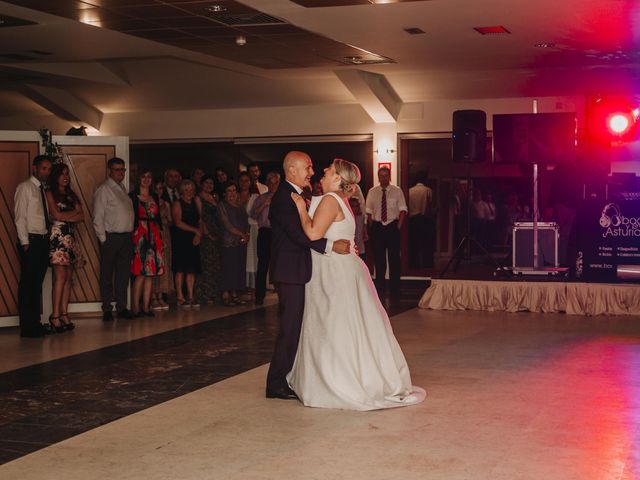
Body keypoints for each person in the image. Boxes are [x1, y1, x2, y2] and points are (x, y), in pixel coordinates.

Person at [287, 159, 426, 410]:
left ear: (338, 177)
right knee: (345, 323)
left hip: (334, 271)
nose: (323, 172)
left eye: (328, 170)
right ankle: (353, 374)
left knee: (334, 323)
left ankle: (338, 380)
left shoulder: (330, 200)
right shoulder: (341, 200)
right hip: (341, 267)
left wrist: (299, 208)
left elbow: (312, 234)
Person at [265, 151, 351, 400]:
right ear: (292, 169)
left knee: (296, 327)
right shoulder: (283, 198)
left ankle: (287, 377)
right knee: (289, 328)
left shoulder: (299, 194)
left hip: (298, 269)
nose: (312, 172)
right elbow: (298, 234)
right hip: (289, 271)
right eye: (308, 168)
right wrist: (330, 246)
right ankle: (276, 383)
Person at [14, 155, 54, 337]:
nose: (46, 172)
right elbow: (20, 217)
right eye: (43, 168)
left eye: (48, 169)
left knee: (36, 284)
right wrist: (25, 243)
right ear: (34, 168)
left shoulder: (41, 189)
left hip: (42, 240)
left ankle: (35, 323)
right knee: (28, 285)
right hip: (31, 241)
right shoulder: (25, 188)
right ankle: (27, 326)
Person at [93, 157, 135, 321]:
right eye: (117, 169)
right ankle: (107, 309)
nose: (121, 173)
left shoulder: (122, 189)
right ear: (109, 171)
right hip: (111, 237)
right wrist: (103, 239)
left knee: (123, 275)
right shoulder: (104, 189)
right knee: (107, 274)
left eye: (122, 170)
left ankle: (122, 307)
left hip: (126, 237)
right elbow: (98, 216)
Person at [46, 162, 84, 332]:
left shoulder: (71, 194)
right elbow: (55, 215)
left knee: (68, 278)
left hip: (70, 238)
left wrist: (66, 217)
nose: (66, 177)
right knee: (59, 277)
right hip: (57, 238)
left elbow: (81, 215)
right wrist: (71, 215)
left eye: (67, 173)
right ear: (56, 176)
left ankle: (63, 313)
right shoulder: (49, 193)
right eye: (62, 173)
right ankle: (54, 316)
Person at [365, 166, 407, 293]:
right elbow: (368, 211)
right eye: (381, 176)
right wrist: (372, 226)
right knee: (379, 259)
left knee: (394, 259)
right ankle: (380, 288)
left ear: (389, 176)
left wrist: (398, 226)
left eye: (386, 175)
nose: (383, 178)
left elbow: (403, 210)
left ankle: (395, 288)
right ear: (378, 177)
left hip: (392, 227)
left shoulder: (397, 191)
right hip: (378, 227)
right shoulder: (372, 191)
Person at [130, 169, 164, 317]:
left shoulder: (154, 196)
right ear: (139, 179)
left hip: (154, 234)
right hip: (140, 235)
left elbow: (159, 219)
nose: (146, 179)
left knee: (150, 273)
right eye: (143, 177)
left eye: (149, 177)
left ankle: (146, 307)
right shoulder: (132, 196)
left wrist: (161, 238)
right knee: (140, 273)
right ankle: (136, 307)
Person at [217, 181, 250, 306]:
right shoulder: (222, 205)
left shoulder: (240, 205)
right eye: (229, 191)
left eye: (234, 190)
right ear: (224, 193)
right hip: (228, 241)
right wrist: (242, 234)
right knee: (228, 268)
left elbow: (246, 222)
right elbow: (227, 224)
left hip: (241, 241)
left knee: (238, 268)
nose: (232, 193)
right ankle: (226, 294)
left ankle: (235, 294)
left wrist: (246, 234)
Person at [250, 171, 280, 305]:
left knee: (279, 265)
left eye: (276, 182)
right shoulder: (261, 198)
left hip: (279, 234)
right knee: (262, 265)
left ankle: (282, 296)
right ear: (267, 183)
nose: (273, 185)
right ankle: (259, 296)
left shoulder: (284, 197)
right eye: (270, 182)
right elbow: (253, 214)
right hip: (265, 233)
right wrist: (265, 204)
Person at [171, 179, 202, 309]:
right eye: (186, 189)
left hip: (194, 238)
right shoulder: (177, 203)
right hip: (181, 238)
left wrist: (199, 233)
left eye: (191, 189)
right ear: (181, 191)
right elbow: (178, 223)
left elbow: (201, 219)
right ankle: (179, 296)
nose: (189, 192)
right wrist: (195, 231)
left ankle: (190, 296)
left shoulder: (196, 201)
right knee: (180, 268)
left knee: (191, 268)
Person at [194, 175, 221, 305]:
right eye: (207, 183)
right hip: (206, 235)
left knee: (215, 265)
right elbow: (201, 217)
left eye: (211, 183)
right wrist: (207, 234)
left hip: (217, 234)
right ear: (202, 184)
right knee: (207, 265)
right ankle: (204, 294)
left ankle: (214, 293)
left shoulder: (215, 198)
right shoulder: (198, 198)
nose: (209, 185)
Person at [151, 180, 172, 310]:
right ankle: (153, 297)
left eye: (160, 189)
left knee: (163, 264)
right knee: (153, 264)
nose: (159, 191)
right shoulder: (149, 202)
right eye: (156, 188)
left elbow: (170, 221)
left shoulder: (166, 204)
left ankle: (160, 296)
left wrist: (165, 220)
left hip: (165, 234)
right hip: (154, 234)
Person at [408, 171, 436, 268]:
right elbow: (431, 206)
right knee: (427, 245)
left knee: (414, 244)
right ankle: (427, 265)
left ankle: (414, 265)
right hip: (425, 220)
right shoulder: (428, 190)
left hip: (412, 221)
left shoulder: (409, 191)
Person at [238, 171, 259, 293]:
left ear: (250, 182)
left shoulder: (255, 197)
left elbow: (256, 215)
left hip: (253, 229)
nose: (244, 183)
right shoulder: (235, 196)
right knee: (242, 258)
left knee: (252, 257)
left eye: (246, 180)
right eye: (241, 181)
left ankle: (252, 285)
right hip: (239, 229)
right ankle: (242, 284)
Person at [349, 196, 367, 263]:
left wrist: (365, 234)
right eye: (353, 206)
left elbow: (364, 231)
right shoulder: (347, 217)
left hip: (360, 247)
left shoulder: (361, 217)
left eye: (357, 206)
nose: (355, 208)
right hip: (349, 247)